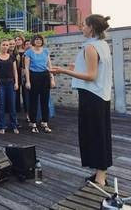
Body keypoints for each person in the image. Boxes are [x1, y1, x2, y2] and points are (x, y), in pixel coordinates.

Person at [50, 14, 112, 187]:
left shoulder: (91, 47)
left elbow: (91, 76)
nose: (81, 27)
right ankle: (100, 174)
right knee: (100, 134)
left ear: (91, 27)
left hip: (92, 96)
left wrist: (63, 71)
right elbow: (92, 68)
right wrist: (72, 67)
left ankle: (100, 179)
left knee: (95, 136)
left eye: (83, 25)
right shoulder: (102, 45)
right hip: (101, 96)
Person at [24, 34, 55, 134]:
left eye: (40, 39)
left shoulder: (46, 51)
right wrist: (28, 81)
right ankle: (33, 123)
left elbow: (49, 66)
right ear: (33, 41)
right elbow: (26, 69)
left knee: (45, 101)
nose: (38, 41)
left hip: (45, 76)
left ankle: (45, 122)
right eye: (36, 39)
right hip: (33, 76)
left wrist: (52, 79)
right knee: (33, 101)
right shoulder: (28, 52)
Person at [0, 39, 19, 134]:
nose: (5, 46)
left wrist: (16, 83)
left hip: (11, 83)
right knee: (1, 105)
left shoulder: (12, 57)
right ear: (0, 46)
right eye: (3, 45)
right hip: (0, 83)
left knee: (12, 105)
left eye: (7, 45)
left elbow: (15, 71)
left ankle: (14, 125)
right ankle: (2, 125)